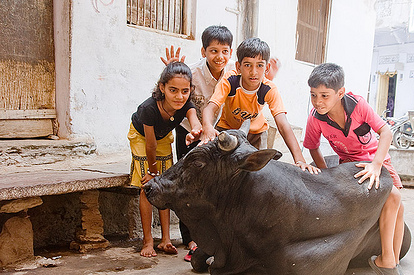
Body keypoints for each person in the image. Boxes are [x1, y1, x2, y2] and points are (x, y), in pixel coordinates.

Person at [161, 26, 281, 260]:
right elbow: (174, 88)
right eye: (213, 50)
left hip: (220, 135)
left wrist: (265, 80)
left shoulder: (234, 73)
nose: (219, 56)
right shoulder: (192, 73)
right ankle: (192, 239)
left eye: (225, 51)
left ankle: (222, 236)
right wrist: (173, 69)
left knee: (220, 184)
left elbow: (251, 88)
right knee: (190, 181)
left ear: (231, 53)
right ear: (204, 51)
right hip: (191, 131)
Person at [303, 63, 407, 275]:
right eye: (313, 95)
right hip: (349, 165)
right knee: (394, 197)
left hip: (377, 160)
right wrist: (325, 173)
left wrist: (377, 164)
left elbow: (386, 132)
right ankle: (387, 262)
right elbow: (312, 147)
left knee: (398, 205)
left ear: (340, 93)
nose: (318, 101)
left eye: (324, 96)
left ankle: (393, 261)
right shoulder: (315, 118)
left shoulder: (358, 104)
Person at [198, 37, 319, 174]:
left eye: (259, 65)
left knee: (257, 173)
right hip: (228, 129)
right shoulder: (230, 80)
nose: (253, 72)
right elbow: (211, 107)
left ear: (267, 68)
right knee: (218, 170)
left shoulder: (269, 89)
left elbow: (283, 124)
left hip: (256, 134)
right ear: (238, 67)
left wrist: (300, 160)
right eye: (248, 65)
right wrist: (207, 127)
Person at [128, 62, 202, 257]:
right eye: (173, 90)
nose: (179, 96)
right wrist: (152, 172)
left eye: (185, 91)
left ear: (190, 90)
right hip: (142, 138)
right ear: (162, 88)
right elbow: (150, 145)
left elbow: (194, 120)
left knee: (165, 185)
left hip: (162, 139)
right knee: (148, 186)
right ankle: (148, 241)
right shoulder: (148, 109)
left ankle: (166, 240)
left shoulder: (186, 104)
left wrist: (195, 131)